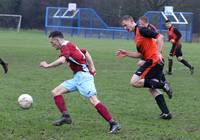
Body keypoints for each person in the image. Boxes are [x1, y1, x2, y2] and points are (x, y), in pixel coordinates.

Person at [39, 31, 120, 134]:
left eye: (52, 42)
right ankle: (66, 116)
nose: (52, 45)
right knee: (56, 92)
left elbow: (61, 61)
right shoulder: (70, 45)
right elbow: (85, 52)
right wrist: (92, 67)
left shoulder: (65, 47)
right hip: (78, 77)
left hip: (84, 77)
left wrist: (47, 65)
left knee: (94, 100)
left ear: (57, 40)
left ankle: (113, 123)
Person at [116, 15, 172, 119]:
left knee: (134, 82)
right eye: (123, 26)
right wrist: (126, 53)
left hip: (153, 61)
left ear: (131, 21)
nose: (125, 28)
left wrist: (159, 53)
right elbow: (140, 55)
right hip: (152, 61)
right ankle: (166, 113)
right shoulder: (136, 35)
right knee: (152, 88)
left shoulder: (141, 30)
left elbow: (160, 37)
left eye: (125, 25)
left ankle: (163, 85)